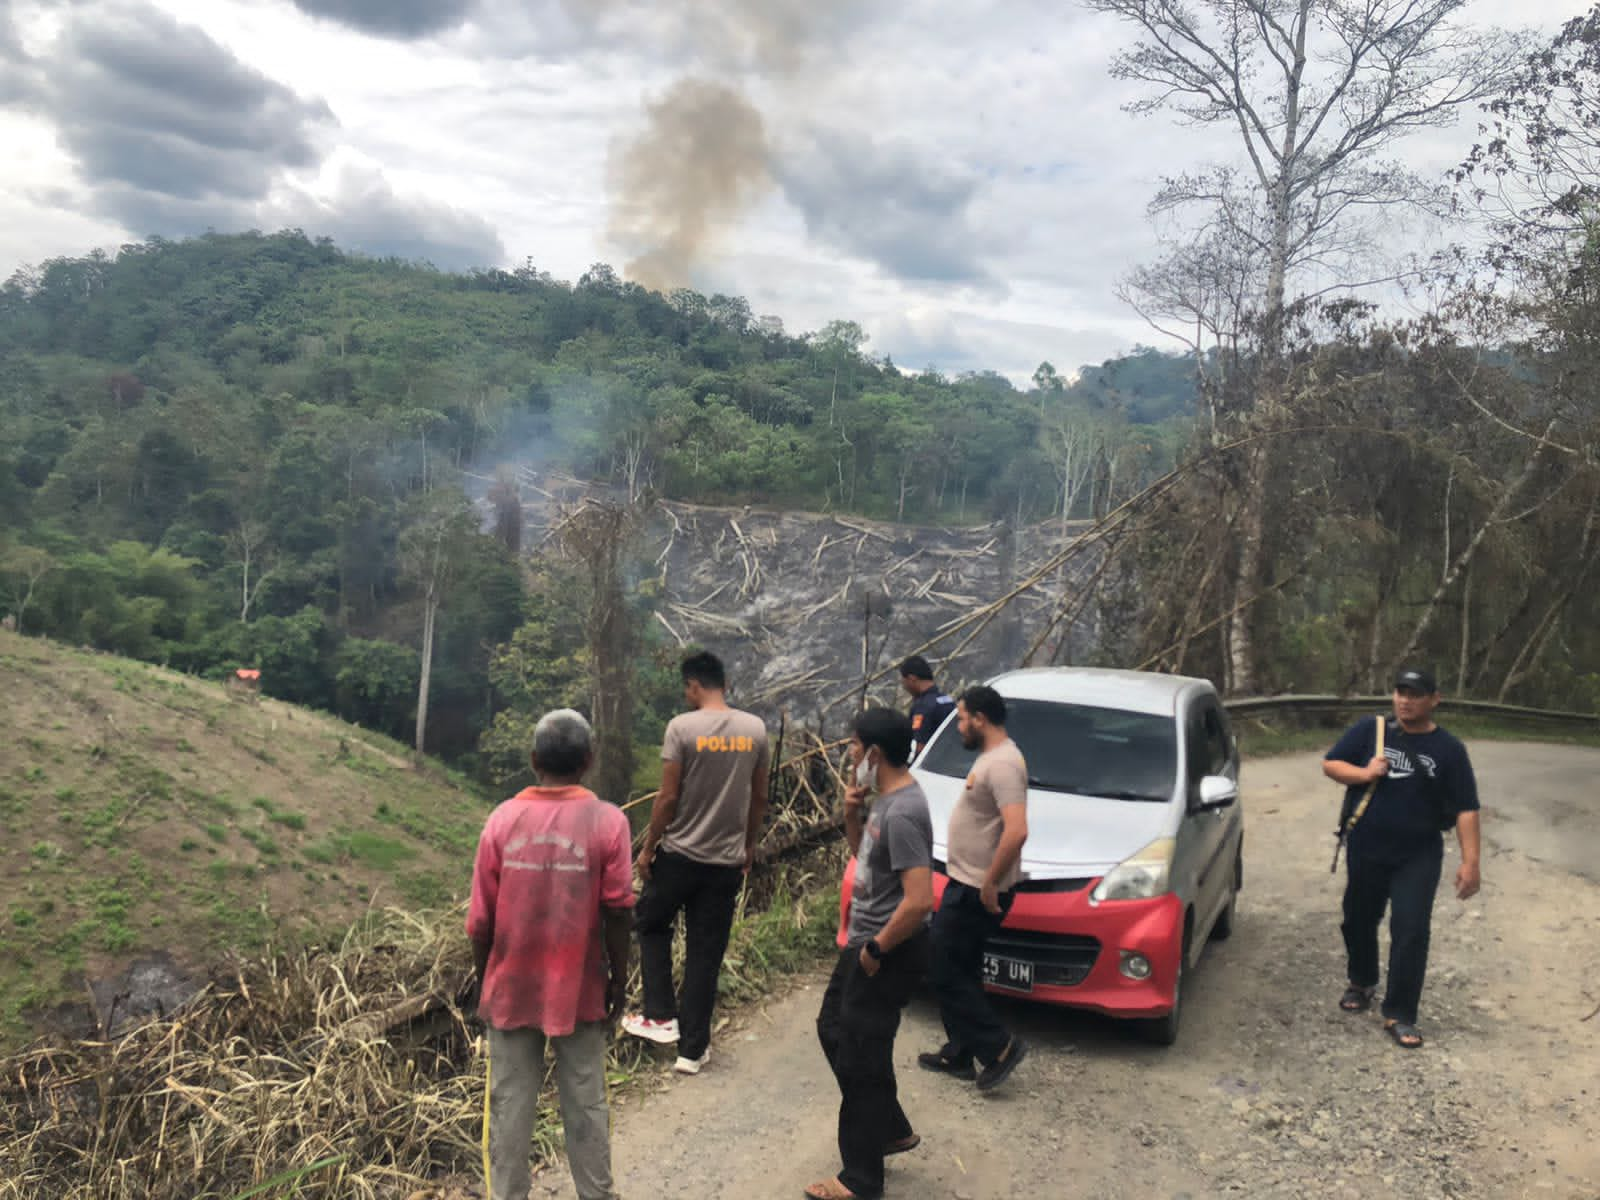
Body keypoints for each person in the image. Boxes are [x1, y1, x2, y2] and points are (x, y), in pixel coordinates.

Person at [465, 709, 632, 1200]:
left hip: (511, 988)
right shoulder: (608, 822)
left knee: (510, 1106)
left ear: (534, 759)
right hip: (580, 988)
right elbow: (619, 910)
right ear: (588, 760)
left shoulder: (501, 820)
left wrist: (485, 982)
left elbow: (480, 924)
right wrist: (617, 979)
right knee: (586, 1101)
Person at [806, 707, 935, 1200]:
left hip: (885, 948)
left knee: (860, 1053)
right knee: (834, 1030)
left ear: (875, 753)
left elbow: (919, 899)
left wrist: (877, 950)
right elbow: (864, 856)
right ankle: (890, 1126)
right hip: (864, 941)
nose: (850, 754)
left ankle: (859, 1178)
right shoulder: (885, 799)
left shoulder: (903, 811)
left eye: (855, 747)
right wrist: (851, 812)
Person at [623, 650, 770, 1074]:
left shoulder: (681, 729)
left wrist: (649, 848)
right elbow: (758, 797)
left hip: (679, 856)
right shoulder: (755, 731)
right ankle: (692, 1050)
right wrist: (748, 845)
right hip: (724, 862)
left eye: (685, 688)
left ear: (693, 685)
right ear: (723, 683)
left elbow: (668, 797)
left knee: (650, 923)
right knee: (706, 952)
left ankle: (660, 1014)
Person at [1323, 667, 1481, 1050]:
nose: (1405, 700)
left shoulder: (1449, 750)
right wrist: (1364, 773)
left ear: (1434, 699)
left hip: (1419, 852)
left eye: (1415, 694)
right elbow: (1331, 764)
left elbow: (1466, 809)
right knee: (1359, 917)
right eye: (1400, 692)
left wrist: (1470, 862)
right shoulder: (1371, 731)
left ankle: (1400, 1012)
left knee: (1411, 930)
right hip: (1367, 845)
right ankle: (1361, 981)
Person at [917, 685, 1030, 1091]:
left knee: (942, 967)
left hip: (976, 889)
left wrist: (989, 884)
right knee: (960, 967)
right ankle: (960, 1052)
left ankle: (998, 1047)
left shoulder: (1002, 764)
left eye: (963, 718)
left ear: (980, 719)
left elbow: (1016, 831)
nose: (960, 726)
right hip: (964, 881)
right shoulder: (993, 758)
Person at [898, 655, 955, 760]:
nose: (904, 687)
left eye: (904, 683)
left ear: (912, 679)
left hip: (932, 766)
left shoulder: (923, 707)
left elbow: (919, 747)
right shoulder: (948, 700)